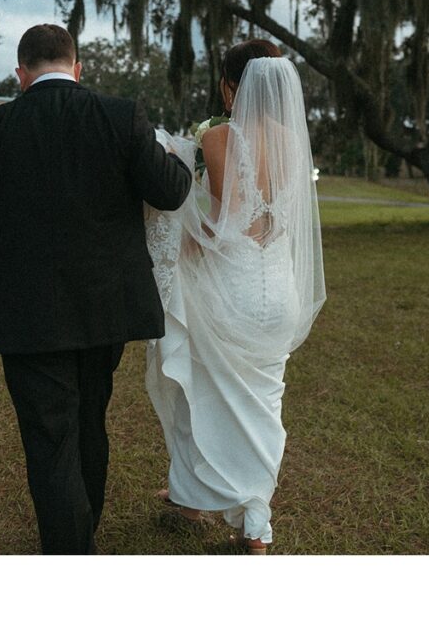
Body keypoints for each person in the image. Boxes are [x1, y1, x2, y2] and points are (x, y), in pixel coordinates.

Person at [0, 23, 192, 554]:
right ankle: (80, 532)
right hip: (106, 305)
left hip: (26, 312)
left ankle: (72, 549)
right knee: (89, 419)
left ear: (21, 74)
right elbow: (169, 191)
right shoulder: (120, 116)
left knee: (51, 436)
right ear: (77, 68)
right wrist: (179, 156)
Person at [144, 40, 326, 555]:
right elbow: (268, 221)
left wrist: (180, 223)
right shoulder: (295, 141)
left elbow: (227, 228)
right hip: (280, 295)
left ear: (230, 86)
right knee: (264, 405)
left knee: (197, 392)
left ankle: (224, 506)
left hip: (234, 290)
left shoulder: (221, 138)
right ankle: (235, 515)